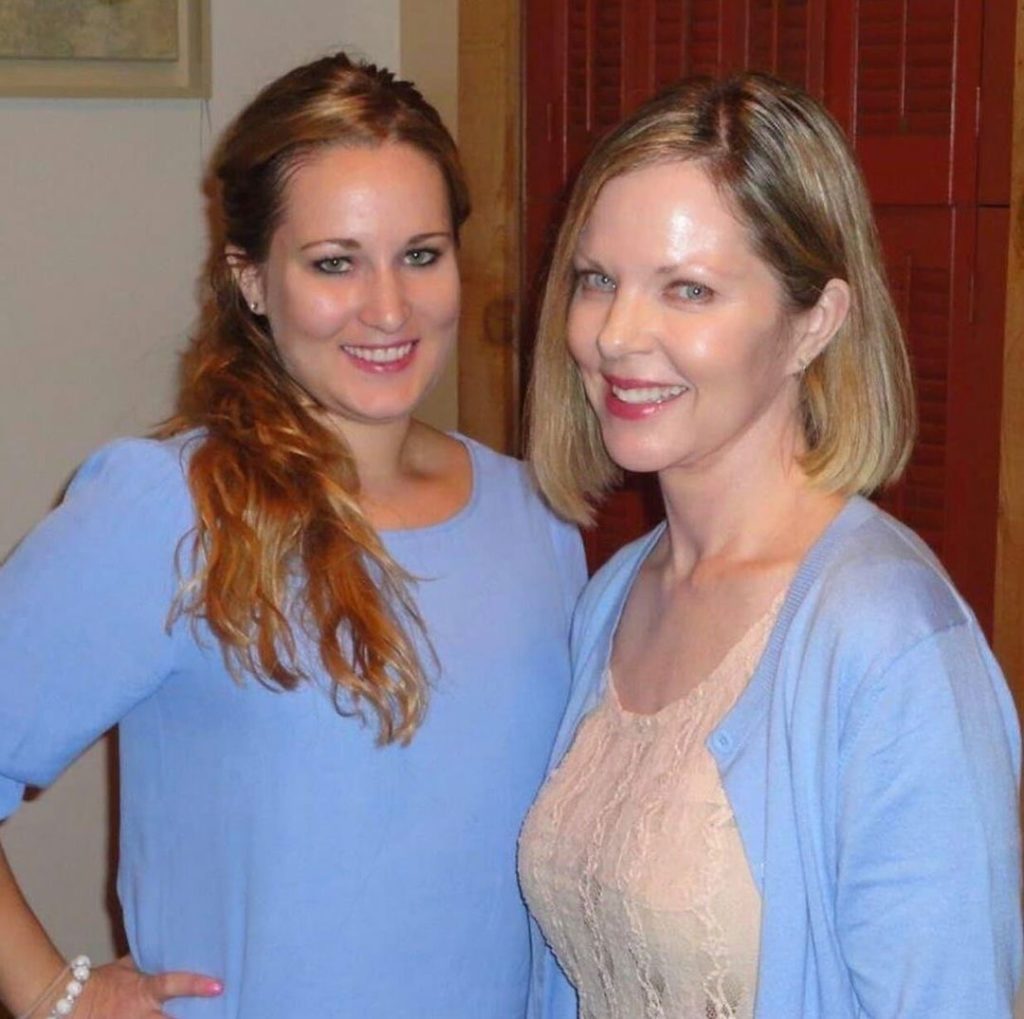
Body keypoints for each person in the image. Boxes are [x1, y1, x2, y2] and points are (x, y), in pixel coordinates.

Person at [0, 52, 585, 1019]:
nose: (388, 308)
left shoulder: (537, 515)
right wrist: (51, 993)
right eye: (334, 262)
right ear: (253, 281)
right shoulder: (171, 509)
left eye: (421, 255)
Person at [518, 72, 1021, 1018]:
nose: (616, 335)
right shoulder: (616, 594)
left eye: (689, 289)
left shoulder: (891, 644)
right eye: (597, 280)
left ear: (812, 325)